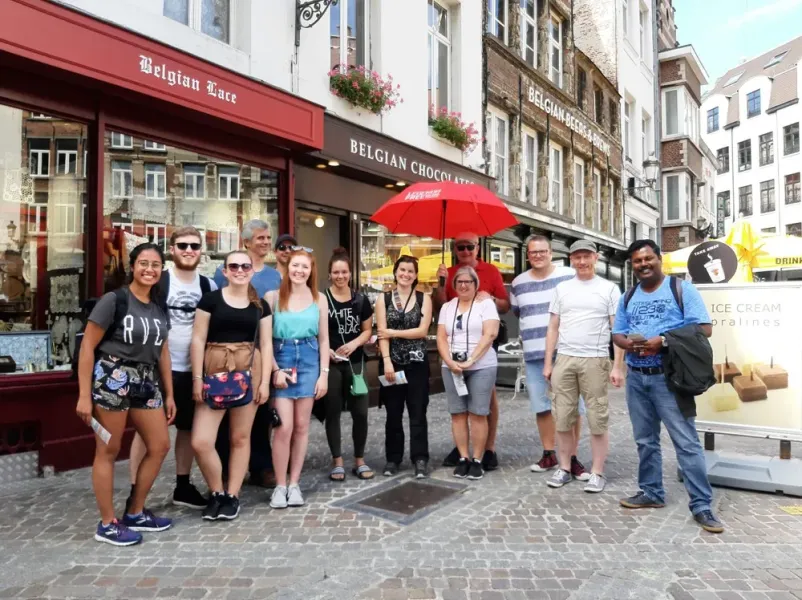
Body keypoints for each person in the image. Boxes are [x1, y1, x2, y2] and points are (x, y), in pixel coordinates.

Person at [612, 239, 724, 533]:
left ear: (659, 259)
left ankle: (701, 505)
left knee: (686, 442)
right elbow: (617, 334)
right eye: (637, 261)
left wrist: (661, 341)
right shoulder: (628, 296)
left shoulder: (681, 289)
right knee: (645, 440)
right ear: (632, 265)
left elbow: (704, 328)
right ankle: (651, 493)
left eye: (648, 258)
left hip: (669, 377)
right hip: (637, 377)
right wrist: (630, 344)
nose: (643, 264)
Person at [75, 242, 175, 546]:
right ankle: (107, 523)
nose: (149, 269)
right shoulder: (114, 300)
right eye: (143, 263)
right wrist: (83, 395)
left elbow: (164, 352)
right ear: (132, 266)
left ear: (161, 270)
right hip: (112, 378)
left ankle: (135, 511)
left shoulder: (159, 306)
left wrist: (169, 394)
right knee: (108, 449)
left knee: (159, 445)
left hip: (146, 380)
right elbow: (87, 347)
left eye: (156, 265)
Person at [126, 227, 216, 513]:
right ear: (172, 249)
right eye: (183, 245)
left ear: (201, 251)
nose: (189, 250)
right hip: (154, 368)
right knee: (145, 431)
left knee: (188, 429)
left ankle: (183, 485)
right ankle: (135, 491)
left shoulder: (208, 286)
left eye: (194, 246)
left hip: (194, 370)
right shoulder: (159, 281)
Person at [190, 250, 273, 521]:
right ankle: (216, 491)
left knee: (240, 438)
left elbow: (266, 343)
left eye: (245, 266)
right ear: (224, 271)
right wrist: (197, 379)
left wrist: (265, 383)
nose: (240, 270)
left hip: (249, 372)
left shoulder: (260, 305)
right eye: (234, 265)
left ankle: (232, 495)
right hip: (214, 374)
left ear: (252, 270)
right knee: (201, 441)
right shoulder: (210, 300)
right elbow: (198, 339)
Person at [543, 240, 624, 493]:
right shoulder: (562, 289)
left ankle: (597, 471)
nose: (582, 262)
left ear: (595, 258)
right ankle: (565, 467)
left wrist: (617, 366)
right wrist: (549, 362)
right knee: (563, 417)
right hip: (565, 358)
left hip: (596, 358)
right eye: (577, 257)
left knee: (597, 417)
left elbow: (618, 329)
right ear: (571, 259)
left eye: (586, 256)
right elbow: (553, 327)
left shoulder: (609, 289)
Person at [510, 235, 589, 479]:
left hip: (566, 353)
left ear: (550, 252)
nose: (538, 256)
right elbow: (518, 312)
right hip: (534, 355)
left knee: (573, 407)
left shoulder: (567, 276)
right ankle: (549, 453)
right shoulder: (518, 283)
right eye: (533, 252)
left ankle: (573, 457)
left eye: (542, 251)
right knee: (542, 407)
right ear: (527, 255)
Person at [213, 219, 281, 488]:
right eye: (260, 238)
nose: (265, 242)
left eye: (267, 238)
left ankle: (261, 466)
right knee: (227, 413)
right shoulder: (224, 273)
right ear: (246, 242)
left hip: (262, 351)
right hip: (229, 352)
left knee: (261, 412)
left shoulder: (275, 276)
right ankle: (227, 469)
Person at [436, 232, 509, 471]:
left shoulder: (491, 271)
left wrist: (492, 299)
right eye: (460, 247)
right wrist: (440, 282)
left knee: (485, 403)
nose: (465, 251)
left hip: (482, 350)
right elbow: (442, 305)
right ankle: (463, 453)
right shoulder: (449, 274)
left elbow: (505, 306)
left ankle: (488, 449)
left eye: (469, 247)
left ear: (478, 248)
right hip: (455, 353)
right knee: (459, 410)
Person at [267, 248, 329, 509]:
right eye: (295, 266)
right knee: (283, 427)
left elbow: (324, 339)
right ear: (287, 267)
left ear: (311, 270)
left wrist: (324, 374)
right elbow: (265, 339)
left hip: (308, 358)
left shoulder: (319, 299)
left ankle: (295, 483)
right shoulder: (272, 297)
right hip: (281, 357)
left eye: (305, 267)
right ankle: (279, 486)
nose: (299, 271)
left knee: (302, 426)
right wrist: (273, 370)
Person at [376, 255, 433, 479]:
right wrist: (387, 361)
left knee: (418, 411)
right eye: (402, 270)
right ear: (395, 271)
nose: (406, 274)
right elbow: (381, 333)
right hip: (393, 364)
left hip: (417, 363)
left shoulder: (423, 298)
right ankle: (393, 458)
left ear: (415, 275)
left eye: (410, 271)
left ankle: (420, 458)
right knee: (393, 413)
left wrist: (393, 332)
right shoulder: (384, 299)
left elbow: (421, 331)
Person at [323, 247, 375, 481]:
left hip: (356, 364)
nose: (340, 276)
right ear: (330, 274)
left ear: (350, 274)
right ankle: (337, 462)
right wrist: (328, 351)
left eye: (344, 272)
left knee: (361, 412)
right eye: (336, 272)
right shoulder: (322, 299)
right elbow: (317, 332)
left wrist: (354, 345)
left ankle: (359, 459)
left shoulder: (361, 300)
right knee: (333, 412)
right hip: (332, 364)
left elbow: (367, 331)